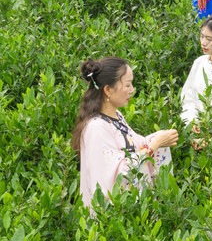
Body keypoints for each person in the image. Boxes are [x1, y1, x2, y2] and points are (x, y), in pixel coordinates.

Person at [72, 57, 177, 210]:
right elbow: (117, 175)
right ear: (108, 90)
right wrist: (155, 144)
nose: (132, 90)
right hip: (112, 218)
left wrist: (160, 138)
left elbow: (136, 146)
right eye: (127, 85)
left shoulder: (117, 116)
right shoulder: (96, 128)